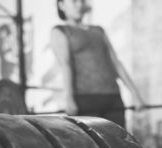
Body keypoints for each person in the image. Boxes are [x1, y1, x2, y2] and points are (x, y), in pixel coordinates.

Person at [50, 0, 145, 128]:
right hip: (85, 99)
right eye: (74, 1)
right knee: (91, 146)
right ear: (62, 5)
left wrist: (135, 94)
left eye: (81, 1)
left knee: (118, 144)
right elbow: (66, 65)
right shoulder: (60, 31)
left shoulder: (98, 30)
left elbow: (115, 63)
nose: (79, 5)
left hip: (113, 97)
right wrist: (69, 99)